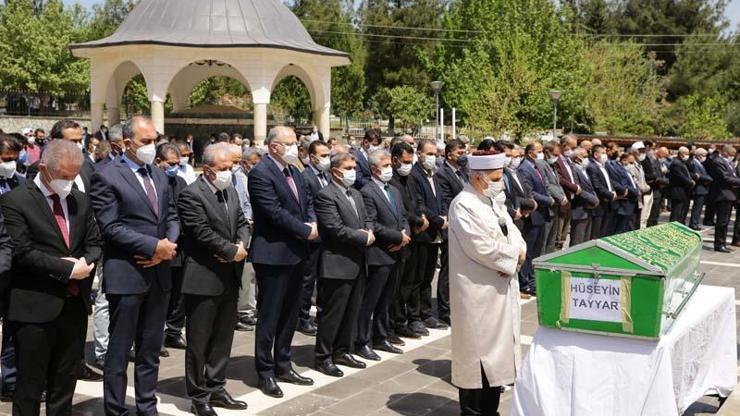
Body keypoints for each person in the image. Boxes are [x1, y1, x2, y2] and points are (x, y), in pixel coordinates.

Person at [1, 140, 102, 415]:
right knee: (30, 387)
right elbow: (21, 251)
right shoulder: (15, 201)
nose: (70, 182)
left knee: (64, 383)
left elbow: (94, 243)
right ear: (44, 169)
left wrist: (85, 262)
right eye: (64, 176)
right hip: (34, 307)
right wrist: (65, 268)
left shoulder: (81, 200)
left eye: (74, 176)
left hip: (73, 306)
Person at [90, 116, 179, 416]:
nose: (152, 147)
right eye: (146, 141)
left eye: (155, 140)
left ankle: (147, 406)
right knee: (119, 350)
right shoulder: (106, 175)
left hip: (159, 273)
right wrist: (153, 246)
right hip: (127, 274)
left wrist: (166, 249)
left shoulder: (158, 174)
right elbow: (111, 226)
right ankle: (115, 409)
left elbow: (172, 215)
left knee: (150, 349)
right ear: (127, 143)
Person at [447, 151, 526, 416]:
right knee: (477, 358)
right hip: (477, 294)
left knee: (497, 358)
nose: (500, 182)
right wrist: (512, 256)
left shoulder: (494, 201)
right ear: (479, 178)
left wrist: (518, 253)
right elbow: (480, 246)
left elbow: (513, 233)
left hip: (500, 291)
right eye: (495, 178)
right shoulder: (464, 204)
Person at [177, 143, 249, 415]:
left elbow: (242, 220)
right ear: (207, 170)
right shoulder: (191, 195)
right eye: (223, 169)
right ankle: (199, 396)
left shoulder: (229, 190)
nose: (228, 173)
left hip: (229, 276)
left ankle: (217, 386)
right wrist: (230, 251)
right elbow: (200, 231)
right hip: (203, 277)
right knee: (199, 341)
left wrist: (241, 245)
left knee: (223, 337)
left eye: (230, 168)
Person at [248, 126, 317, 398]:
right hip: (274, 255)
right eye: (288, 143)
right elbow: (273, 212)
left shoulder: (294, 171)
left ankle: (283, 362)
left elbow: (307, 201)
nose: (294, 147)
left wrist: (311, 222)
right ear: (273, 146)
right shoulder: (260, 173)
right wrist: (304, 229)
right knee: (270, 315)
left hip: (297, 252)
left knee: (290, 313)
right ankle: (264, 371)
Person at [314, 152, 374, 377]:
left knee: (352, 310)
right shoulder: (325, 195)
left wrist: (368, 231)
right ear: (336, 171)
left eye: (354, 167)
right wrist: (362, 237)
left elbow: (367, 217)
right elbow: (333, 227)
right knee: (333, 313)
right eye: (348, 168)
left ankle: (342, 350)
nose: (353, 172)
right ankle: (323, 356)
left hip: (358, 261)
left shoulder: (356, 194)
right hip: (337, 263)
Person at [356, 149, 409, 361]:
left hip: (396, 252)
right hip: (379, 253)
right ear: (374, 169)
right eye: (385, 165)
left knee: (387, 299)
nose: (390, 169)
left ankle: (381, 335)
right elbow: (373, 224)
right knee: (370, 300)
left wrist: (404, 235)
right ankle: (362, 340)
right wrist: (397, 237)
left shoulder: (393, 189)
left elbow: (403, 216)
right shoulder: (367, 191)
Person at [388, 142, 427, 342]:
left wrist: (421, 216)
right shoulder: (392, 181)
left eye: (410, 162)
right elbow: (402, 208)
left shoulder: (410, 178)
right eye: (404, 161)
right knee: (399, 285)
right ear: (394, 160)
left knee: (413, 281)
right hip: (403, 236)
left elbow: (416, 201)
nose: (408, 165)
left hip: (417, 235)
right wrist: (418, 220)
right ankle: (397, 321)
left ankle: (412, 318)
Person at [409, 139, 449, 331]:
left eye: (436, 154)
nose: (434, 157)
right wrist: (438, 220)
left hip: (435, 233)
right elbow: (419, 205)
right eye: (430, 153)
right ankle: (414, 315)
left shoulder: (434, 175)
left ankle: (426, 314)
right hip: (423, 233)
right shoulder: (414, 175)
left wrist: (443, 216)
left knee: (428, 276)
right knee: (417, 277)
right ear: (420, 153)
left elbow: (439, 200)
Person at [153, 144, 189, 351]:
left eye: (178, 163)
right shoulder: (154, 181)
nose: (176, 167)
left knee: (179, 293)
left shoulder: (180, 181)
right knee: (161, 295)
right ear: (159, 162)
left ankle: (174, 331)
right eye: (171, 164)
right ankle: (155, 337)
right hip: (161, 245)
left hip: (180, 246)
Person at [298, 140, 331, 336]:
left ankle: (321, 313)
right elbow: (308, 204)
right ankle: (302, 317)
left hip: (328, 235)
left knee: (324, 278)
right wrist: (314, 225)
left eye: (328, 155)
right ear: (312, 157)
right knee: (308, 279)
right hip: (314, 235)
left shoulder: (326, 176)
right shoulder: (306, 177)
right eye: (323, 155)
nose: (327, 159)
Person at [433, 139, 467, 326]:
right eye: (459, 153)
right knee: (448, 271)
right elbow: (446, 202)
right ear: (449, 155)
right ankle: (445, 311)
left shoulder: (464, 172)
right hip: (452, 228)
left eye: (464, 152)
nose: (463, 156)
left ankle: (457, 306)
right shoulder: (442, 175)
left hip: (465, 229)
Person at [517, 143, 552, 296]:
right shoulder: (524, 168)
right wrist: (548, 200)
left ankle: (533, 280)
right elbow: (530, 193)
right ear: (531, 153)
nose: (542, 154)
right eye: (539, 151)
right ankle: (526, 283)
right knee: (529, 251)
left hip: (541, 214)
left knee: (536, 251)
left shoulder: (535, 166)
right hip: (533, 214)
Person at [26, 120, 94, 192]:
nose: (78, 146)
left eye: (80, 141)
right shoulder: (41, 168)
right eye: (73, 141)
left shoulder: (86, 166)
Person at [233, 147, 257, 331]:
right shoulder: (237, 178)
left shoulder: (253, 178)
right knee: (244, 273)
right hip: (242, 231)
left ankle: (248, 308)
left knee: (251, 274)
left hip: (253, 229)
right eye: (254, 164)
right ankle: (242, 310)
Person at [709, 145, 740, 253]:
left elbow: (733, 176)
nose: (732, 157)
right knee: (721, 221)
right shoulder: (719, 161)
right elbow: (725, 177)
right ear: (725, 152)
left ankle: (722, 243)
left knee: (725, 221)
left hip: (729, 195)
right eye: (731, 154)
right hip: (722, 194)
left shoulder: (727, 162)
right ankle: (719, 244)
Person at [539, 143, 567, 254]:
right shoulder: (541, 164)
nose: (556, 157)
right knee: (544, 238)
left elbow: (557, 183)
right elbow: (547, 184)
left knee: (552, 237)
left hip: (556, 205)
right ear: (547, 152)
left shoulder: (553, 165)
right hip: (548, 205)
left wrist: (563, 195)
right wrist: (560, 197)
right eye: (554, 154)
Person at [569, 148, 598, 245]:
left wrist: (595, 199)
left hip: (588, 209)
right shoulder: (574, 169)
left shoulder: (583, 169)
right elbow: (578, 189)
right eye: (585, 157)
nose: (587, 159)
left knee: (585, 241)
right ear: (577, 158)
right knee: (577, 241)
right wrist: (592, 199)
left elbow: (590, 187)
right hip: (579, 209)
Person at [587, 145, 616, 239]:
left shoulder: (603, 166)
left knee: (603, 233)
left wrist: (613, 191)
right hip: (599, 203)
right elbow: (597, 186)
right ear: (596, 155)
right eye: (603, 153)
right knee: (596, 233)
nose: (605, 155)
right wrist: (610, 194)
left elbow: (609, 181)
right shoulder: (592, 167)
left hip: (607, 203)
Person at [555, 135, 580, 247]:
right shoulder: (557, 159)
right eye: (572, 147)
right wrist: (574, 188)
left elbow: (572, 176)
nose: (573, 151)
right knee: (557, 235)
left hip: (570, 201)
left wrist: (577, 186)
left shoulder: (568, 160)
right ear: (564, 146)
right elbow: (560, 179)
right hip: (562, 200)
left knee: (564, 235)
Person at [628, 142, 652, 230]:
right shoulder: (631, 166)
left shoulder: (640, 165)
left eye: (643, 150)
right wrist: (646, 188)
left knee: (639, 221)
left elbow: (643, 179)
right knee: (633, 223)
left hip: (640, 197)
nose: (642, 153)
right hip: (634, 197)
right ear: (634, 151)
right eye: (640, 151)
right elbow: (635, 182)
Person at [687, 148, 713, 231]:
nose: (705, 157)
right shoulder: (694, 163)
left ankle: (695, 222)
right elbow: (698, 175)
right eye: (704, 155)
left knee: (699, 207)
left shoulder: (699, 163)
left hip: (703, 188)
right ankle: (693, 223)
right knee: (697, 207)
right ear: (699, 156)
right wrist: (708, 179)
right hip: (699, 188)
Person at [668, 147, 695, 225]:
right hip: (678, 191)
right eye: (686, 154)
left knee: (681, 212)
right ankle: (673, 229)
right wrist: (690, 182)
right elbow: (680, 176)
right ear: (681, 154)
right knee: (676, 212)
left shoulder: (681, 162)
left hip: (683, 191)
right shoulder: (676, 163)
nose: (687, 156)